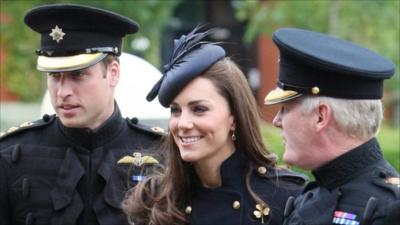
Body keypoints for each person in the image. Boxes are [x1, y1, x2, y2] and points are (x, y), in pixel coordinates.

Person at [121, 27, 307, 225]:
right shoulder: (154, 198)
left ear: (234, 117)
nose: (183, 123)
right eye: (176, 110)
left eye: (199, 109)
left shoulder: (285, 197)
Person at [0, 3, 164, 225]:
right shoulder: (11, 155)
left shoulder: (161, 154)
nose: (62, 92)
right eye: (54, 75)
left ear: (113, 73)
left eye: (77, 75)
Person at [264, 28, 400, 225]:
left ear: (321, 116)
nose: (277, 121)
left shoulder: (390, 209)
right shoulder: (311, 196)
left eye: (285, 108)